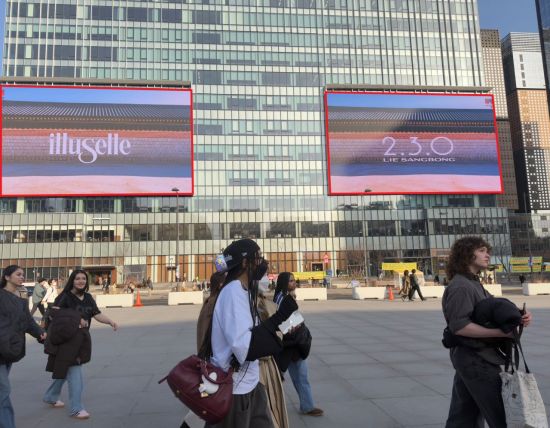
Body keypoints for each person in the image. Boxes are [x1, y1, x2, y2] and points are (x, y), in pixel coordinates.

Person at [205, 238, 298, 428]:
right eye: (258, 258)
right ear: (245, 262)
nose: (262, 263)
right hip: (235, 391)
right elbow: (245, 347)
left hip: (252, 384)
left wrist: (281, 322)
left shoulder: (243, 291)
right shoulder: (232, 292)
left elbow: (254, 333)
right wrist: (279, 318)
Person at [442, 236, 532, 427]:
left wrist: (519, 315)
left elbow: (493, 307)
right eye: (482, 250)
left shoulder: (473, 283)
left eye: (487, 250)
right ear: (467, 254)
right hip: (475, 360)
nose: (487, 255)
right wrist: (502, 333)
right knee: (502, 417)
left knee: (463, 419)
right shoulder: (461, 286)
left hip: (474, 357)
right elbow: (460, 326)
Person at [43, 269, 119, 420]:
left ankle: (51, 395)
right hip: (66, 340)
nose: (81, 281)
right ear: (72, 280)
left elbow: (96, 313)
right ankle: (76, 408)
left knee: (66, 368)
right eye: (77, 278)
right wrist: (76, 319)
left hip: (81, 339)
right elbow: (54, 314)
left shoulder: (88, 297)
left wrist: (110, 321)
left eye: (83, 278)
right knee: (75, 372)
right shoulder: (65, 296)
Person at [0, 265, 45, 428]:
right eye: (18, 274)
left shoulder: (20, 300)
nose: (22, 277)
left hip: (9, 350)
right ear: (7, 277)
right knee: (3, 391)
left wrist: (41, 334)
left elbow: (28, 322)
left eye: (23, 274)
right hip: (2, 347)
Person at [273, 273, 323, 417]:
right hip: (291, 344)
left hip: (290, 344)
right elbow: (279, 322)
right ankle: (306, 407)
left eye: (294, 280)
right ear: (284, 282)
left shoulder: (283, 297)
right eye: (291, 281)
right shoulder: (282, 299)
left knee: (297, 376)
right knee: (298, 376)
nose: (294, 283)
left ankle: (307, 406)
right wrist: (295, 323)